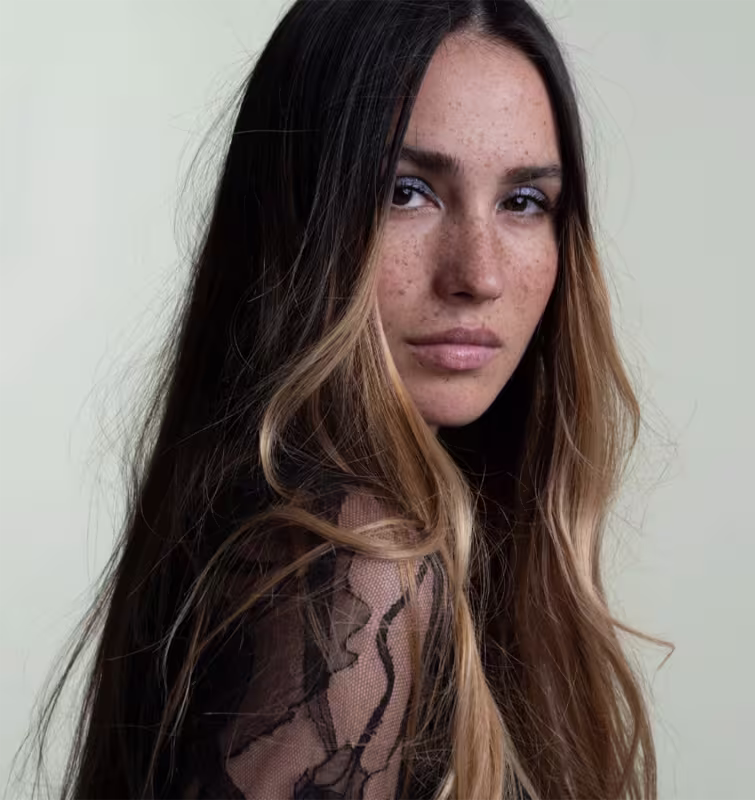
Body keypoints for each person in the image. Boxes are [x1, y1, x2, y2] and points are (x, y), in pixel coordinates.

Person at [23, 1, 658, 798]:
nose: (479, 274)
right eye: (407, 191)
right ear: (297, 218)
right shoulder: (358, 563)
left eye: (523, 202)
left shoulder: (276, 523)